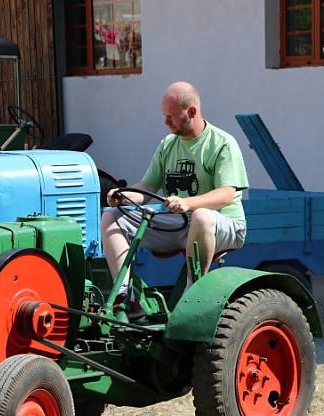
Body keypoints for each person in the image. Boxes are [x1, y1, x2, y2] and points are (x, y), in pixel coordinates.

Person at [101, 81, 249, 315]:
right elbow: (148, 186)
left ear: (191, 112)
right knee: (111, 216)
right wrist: (123, 196)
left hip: (223, 223)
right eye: (164, 115)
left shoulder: (222, 143)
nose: (165, 122)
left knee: (201, 216)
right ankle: (125, 295)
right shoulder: (168, 145)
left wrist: (188, 203)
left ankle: (191, 297)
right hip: (179, 222)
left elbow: (227, 194)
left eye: (171, 116)